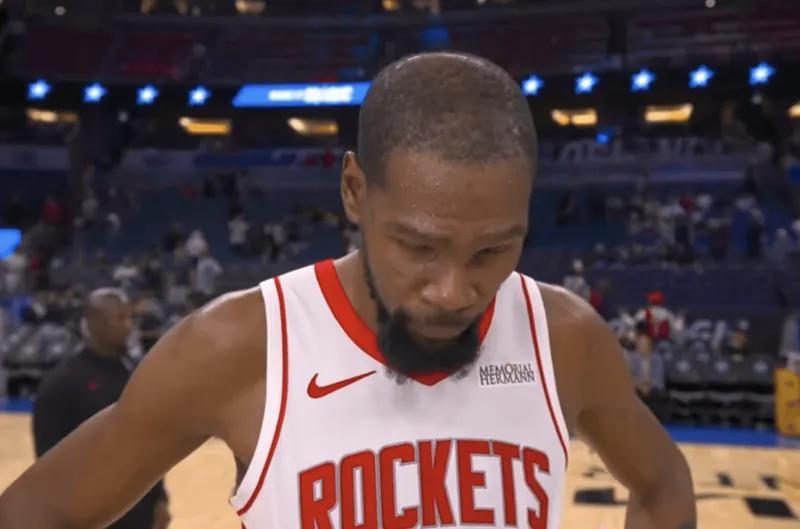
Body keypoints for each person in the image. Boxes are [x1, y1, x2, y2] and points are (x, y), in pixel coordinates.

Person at [0, 52, 695, 529]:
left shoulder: (564, 337)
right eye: (419, 247)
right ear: (355, 191)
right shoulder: (241, 345)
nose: (454, 290)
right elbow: (39, 510)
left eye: (492, 250)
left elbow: (662, 480)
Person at [28, 288, 170, 529]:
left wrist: (160, 498)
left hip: (138, 510)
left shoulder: (135, 372)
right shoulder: (63, 382)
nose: (129, 326)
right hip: (89, 515)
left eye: (130, 317)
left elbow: (148, 442)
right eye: (120, 318)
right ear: (94, 323)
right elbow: (47, 463)